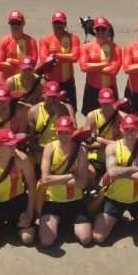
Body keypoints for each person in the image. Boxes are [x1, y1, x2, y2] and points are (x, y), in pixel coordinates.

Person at [92, 114, 138, 244]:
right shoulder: (113, 147)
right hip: (114, 198)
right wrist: (134, 169)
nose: (129, 132)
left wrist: (121, 171)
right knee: (98, 238)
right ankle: (119, 217)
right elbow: (111, 172)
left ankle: (137, 216)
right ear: (121, 129)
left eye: (132, 129)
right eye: (126, 129)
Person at [39, 116, 93, 247]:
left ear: (72, 131)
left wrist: (55, 179)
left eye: (67, 132)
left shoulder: (80, 150)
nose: (63, 135)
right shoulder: (50, 148)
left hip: (75, 200)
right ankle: (58, 222)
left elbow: (82, 183)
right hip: (53, 200)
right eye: (60, 132)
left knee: (86, 239)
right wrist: (69, 177)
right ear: (56, 131)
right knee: (46, 242)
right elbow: (45, 179)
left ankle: (63, 222)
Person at [78, 16, 122, 116]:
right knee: (90, 118)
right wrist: (104, 64)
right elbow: (84, 67)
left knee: (112, 119)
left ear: (107, 30)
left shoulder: (115, 48)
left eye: (103, 29)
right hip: (91, 89)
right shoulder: (86, 47)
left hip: (110, 89)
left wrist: (93, 66)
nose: (100, 32)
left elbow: (113, 70)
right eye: (98, 29)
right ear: (94, 29)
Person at [39, 11, 82, 113]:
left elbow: (75, 57)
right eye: (56, 23)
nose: (58, 25)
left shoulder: (73, 38)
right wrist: (66, 57)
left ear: (65, 24)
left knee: (69, 110)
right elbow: (44, 60)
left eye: (60, 23)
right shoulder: (45, 39)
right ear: (52, 24)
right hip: (50, 82)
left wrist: (56, 56)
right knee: (48, 111)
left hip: (67, 82)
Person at [25, 81, 75, 165]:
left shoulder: (66, 108)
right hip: (40, 157)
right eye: (50, 96)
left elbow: (74, 131)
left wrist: (60, 114)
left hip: (62, 157)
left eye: (55, 97)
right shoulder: (34, 111)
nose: (52, 100)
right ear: (43, 95)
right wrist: (47, 151)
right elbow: (29, 140)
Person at [83, 87, 124, 184]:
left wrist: (99, 139)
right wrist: (110, 143)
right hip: (96, 158)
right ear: (99, 101)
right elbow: (89, 144)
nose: (106, 106)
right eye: (103, 103)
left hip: (116, 158)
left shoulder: (122, 117)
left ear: (114, 101)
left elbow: (123, 145)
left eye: (109, 103)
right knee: (89, 172)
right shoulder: (92, 117)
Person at [0, 10, 38, 85]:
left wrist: (11, 61)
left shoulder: (31, 41)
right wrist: (24, 64)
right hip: (5, 83)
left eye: (18, 23)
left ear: (23, 23)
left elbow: (32, 64)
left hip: (25, 84)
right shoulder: (3, 41)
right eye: (12, 23)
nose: (15, 26)